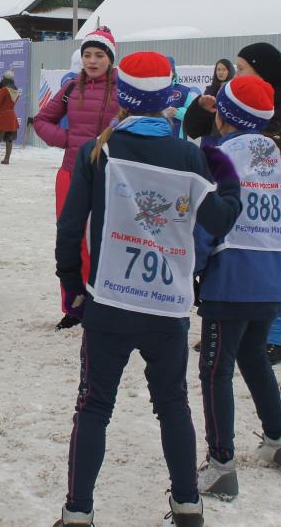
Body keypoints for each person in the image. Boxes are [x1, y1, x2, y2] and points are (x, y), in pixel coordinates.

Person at [52, 51, 242, 527]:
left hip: (110, 300)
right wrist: (227, 177)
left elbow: (70, 226)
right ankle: (187, 506)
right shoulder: (189, 155)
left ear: (123, 95)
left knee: (93, 407)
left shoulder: (100, 149)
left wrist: (72, 285)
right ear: (168, 96)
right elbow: (220, 220)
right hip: (166, 303)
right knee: (173, 406)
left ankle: (77, 511)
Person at [193, 76, 281, 501]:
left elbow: (209, 217)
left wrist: (194, 266)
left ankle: (221, 464)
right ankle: (279, 440)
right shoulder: (279, 158)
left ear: (223, 116)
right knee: (254, 356)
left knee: (215, 370)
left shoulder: (220, 156)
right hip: (271, 275)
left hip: (231, 276)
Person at [33, 28, 121, 330]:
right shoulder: (71, 87)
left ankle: (105, 303)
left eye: (99, 55)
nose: (92, 61)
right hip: (71, 172)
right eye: (87, 55)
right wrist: (69, 140)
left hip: (111, 175)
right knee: (71, 241)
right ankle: (73, 306)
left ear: (110, 58)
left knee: (107, 240)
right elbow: (41, 121)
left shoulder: (123, 88)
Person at [0, 71, 20, 164]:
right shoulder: (16, 91)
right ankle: (7, 159)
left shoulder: (4, 90)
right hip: (12, 116)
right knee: (9, 138)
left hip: (2, 116)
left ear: (4, 80)